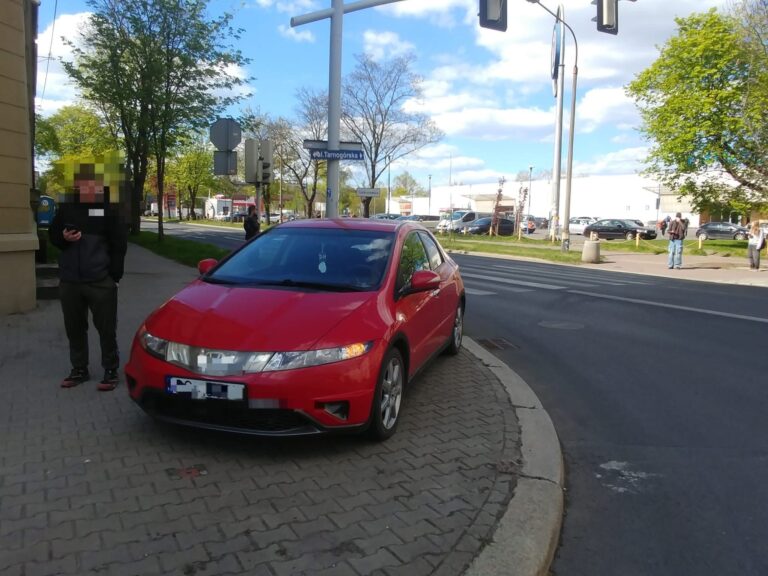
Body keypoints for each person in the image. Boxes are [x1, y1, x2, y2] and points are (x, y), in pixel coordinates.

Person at [49, 166, 128, 391]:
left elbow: (119, 244)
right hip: (70, 280)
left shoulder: (109, 209)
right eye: (81, 183)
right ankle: (79, 370)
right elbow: (53, 235)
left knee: (106, 328)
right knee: (74, 328)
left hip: (100, 280)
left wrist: (114, 276)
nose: (85, 187)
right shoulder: (66, 209)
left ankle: (110, 370)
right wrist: (63, 238)